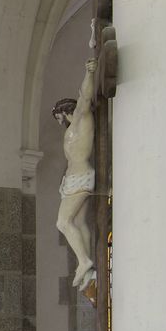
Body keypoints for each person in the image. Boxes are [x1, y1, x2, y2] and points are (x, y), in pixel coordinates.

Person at [54, 55, 100, 295]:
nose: (58, 122)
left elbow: (85, 97)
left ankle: (83, 261)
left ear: (64, 112)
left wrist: (89, 73)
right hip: (73, 180)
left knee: (63, 222)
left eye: (58, 117)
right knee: (79, 222)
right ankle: (89, 270)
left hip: (80, 177)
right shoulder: (72, 128)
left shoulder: (82, 118)